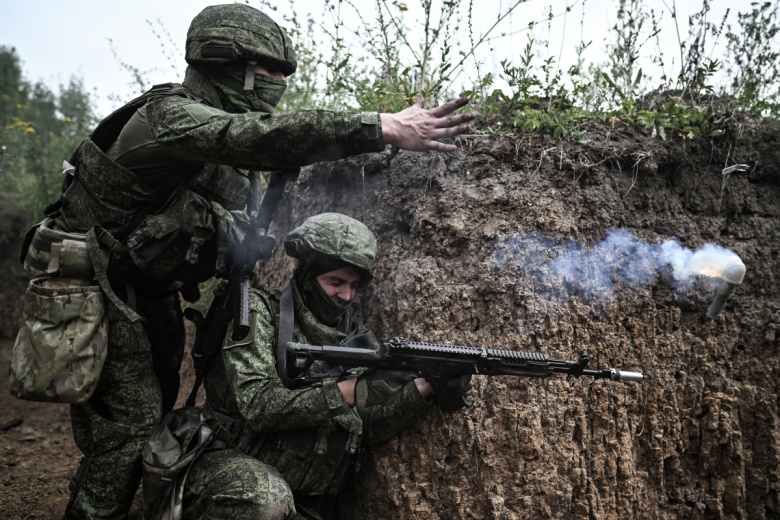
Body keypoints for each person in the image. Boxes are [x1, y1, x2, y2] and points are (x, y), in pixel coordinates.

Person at [18, 4, 475, 519]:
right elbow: (256, 137)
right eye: (269, 69)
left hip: (150, 292)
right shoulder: (168, 117)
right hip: (96, 288)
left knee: (147, 422)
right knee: (126, 432)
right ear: (225, 62)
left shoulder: (223, 145)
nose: (279, 82)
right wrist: (380, 126)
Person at [156, 213, 471, 519]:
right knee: (267, 500)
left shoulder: (359, 341)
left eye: (354, 285)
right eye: (335, 281)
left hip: (301, 499)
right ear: (307, 274)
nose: (346, 295)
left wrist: (422, 389)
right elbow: (258, 405)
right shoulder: (258, 312)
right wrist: (353, 390)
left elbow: (367, 428)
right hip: (226, 474)